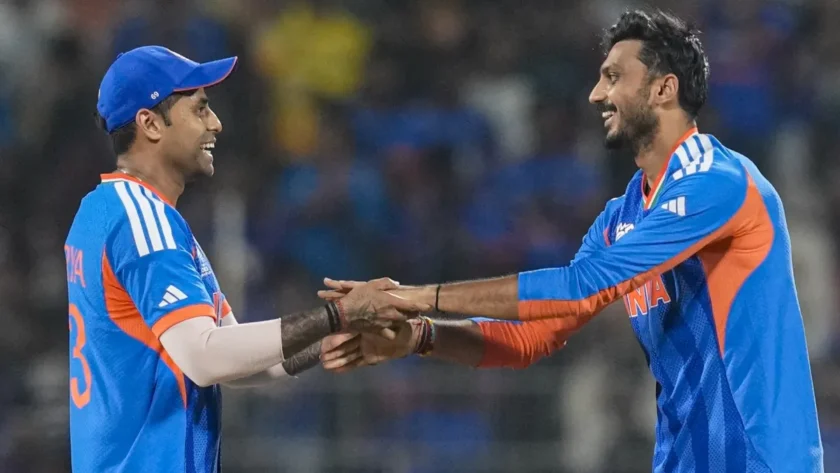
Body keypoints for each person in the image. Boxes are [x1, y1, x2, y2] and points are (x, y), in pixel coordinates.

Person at [318, 9, 824, 473]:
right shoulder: (620, 217)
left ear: (663, 88)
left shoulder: (720, 181)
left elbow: (580, 287)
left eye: (613, 77)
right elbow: (533, 337)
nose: (596, 95)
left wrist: (410, 296)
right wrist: (421, 335)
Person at [64, 46, 427, 473]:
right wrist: (339, 313)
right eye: (200, 109)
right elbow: (205, 358)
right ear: (150, 123)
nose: (215, 123)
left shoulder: (104, 211)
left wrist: (331, 336)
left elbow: (229, 356)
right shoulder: (142, 219)